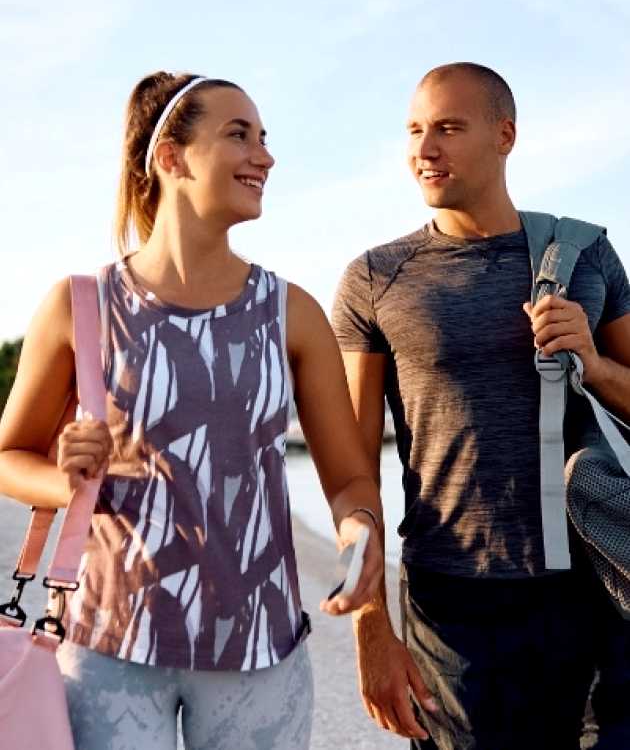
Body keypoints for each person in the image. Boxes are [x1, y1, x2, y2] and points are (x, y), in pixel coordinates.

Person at [0, 71, 384, 750]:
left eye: (264, 138)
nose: (264, 156)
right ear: (171, 158)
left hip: (260, 654)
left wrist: (358, 531)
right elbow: (9, 457)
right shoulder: (80, 305)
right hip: (107, 647)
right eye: (238, 134)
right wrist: (69, 480)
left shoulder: (291, 313)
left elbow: (350, 478)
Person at [332, 62, 630, 750]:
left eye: (447, 127)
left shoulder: (588, 256)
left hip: (591, 590)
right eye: (413, 130)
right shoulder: (376, 278)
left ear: (505, 135)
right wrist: (372, 627)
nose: (424, 148)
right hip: (451, 607)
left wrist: (594, 362)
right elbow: (351, 470)